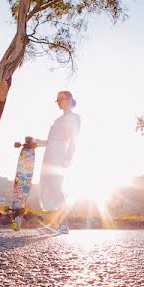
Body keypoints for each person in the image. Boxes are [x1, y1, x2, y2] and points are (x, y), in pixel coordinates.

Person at [33, 91, 81, 234]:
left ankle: (61, 225)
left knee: (56, 187)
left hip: (60, 154)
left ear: (69, 100)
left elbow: (73, 139)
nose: (58, 102)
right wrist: (36, 143)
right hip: (50, 154)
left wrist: (68, 157)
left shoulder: (74, 118)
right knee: (49, 187)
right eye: (57, 100)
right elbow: (51, 140)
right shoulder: (58, 120)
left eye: (61, 99)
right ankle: (56, 225)